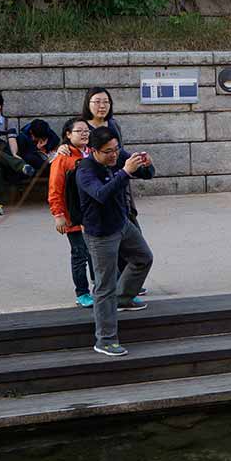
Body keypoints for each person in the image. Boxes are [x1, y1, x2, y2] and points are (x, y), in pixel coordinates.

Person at [76, 127, 155, 357]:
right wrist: (125, 173)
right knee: (104, 286)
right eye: (107, 152)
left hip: (122, 223)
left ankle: (123, 297)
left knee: (143, 258)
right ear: (93, 150)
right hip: (100, 234)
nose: (114, 155)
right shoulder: (85, 170)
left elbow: (147, 175)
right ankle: (106, 340)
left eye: (116, 149)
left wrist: (146, 164)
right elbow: (101, 194)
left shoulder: (118, 157)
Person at [48, 118, 95, 308]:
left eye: (87, 131)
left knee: (96, 254)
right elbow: (55, 188)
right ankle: (82, 293)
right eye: (79, 131)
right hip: (73, 215)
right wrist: (58, 214)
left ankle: (100, 287)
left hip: (93, 215)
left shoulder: (92, 154)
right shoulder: (63, 159)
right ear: (68, 135)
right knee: (79, 253)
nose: (84, 134)